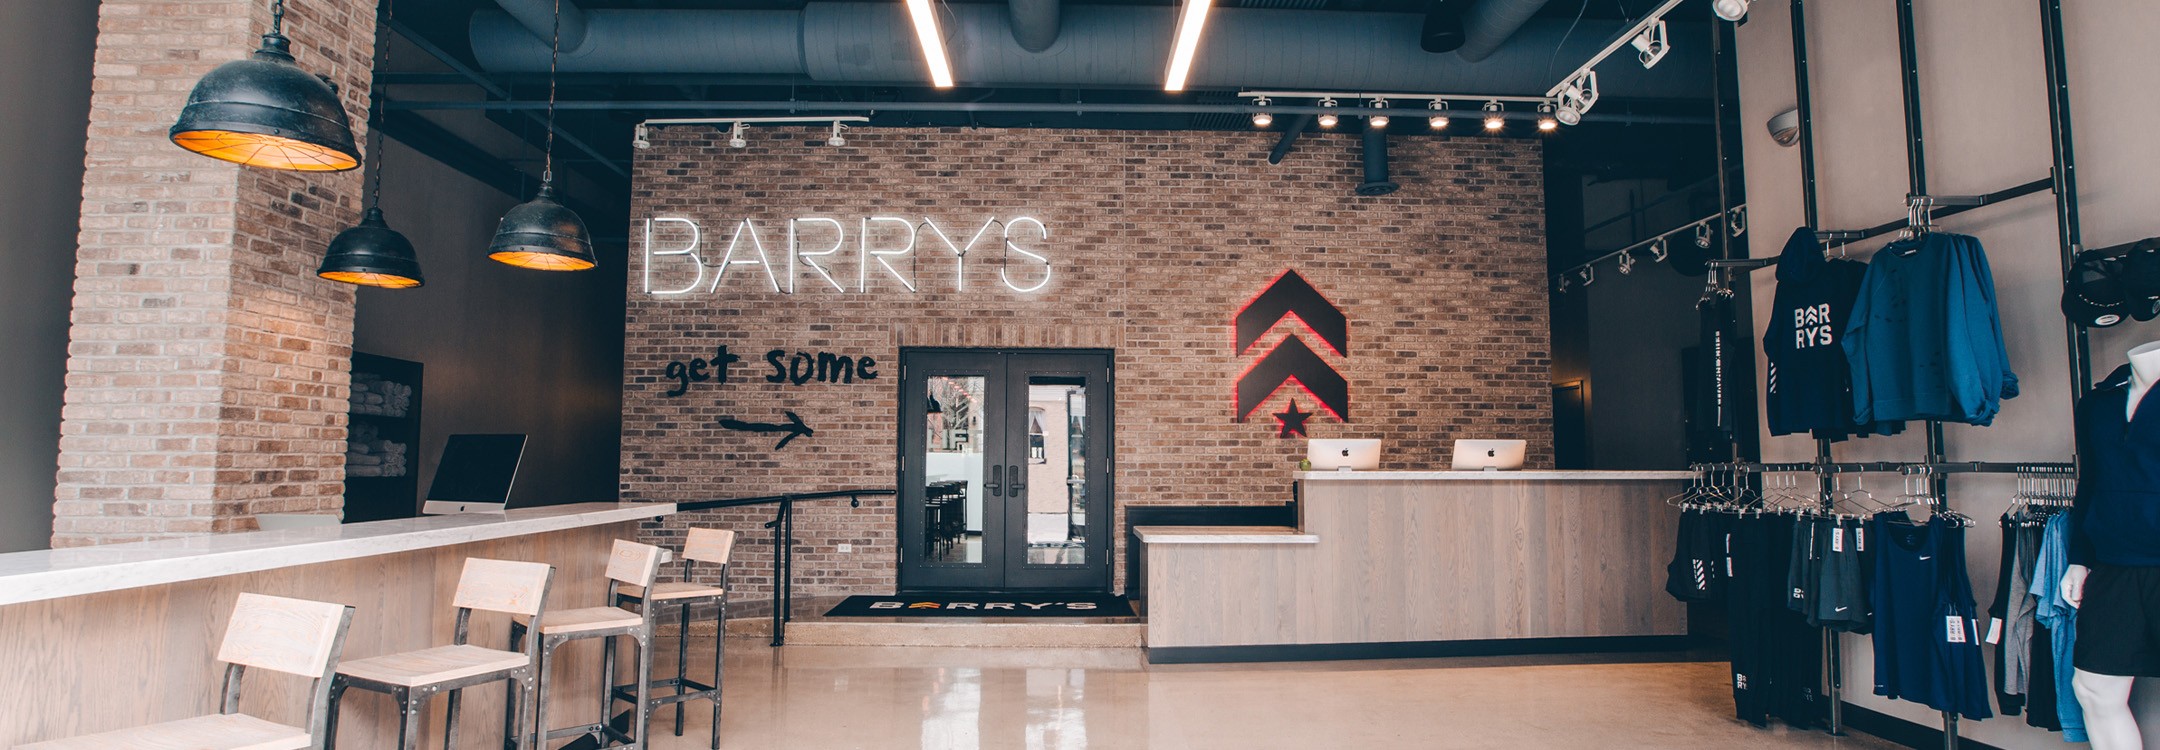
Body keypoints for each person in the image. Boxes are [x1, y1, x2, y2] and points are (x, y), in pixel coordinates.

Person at [2061, 341, 2160, 750]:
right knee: (2094, 690)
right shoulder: (2097, 403)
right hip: (2113, 566)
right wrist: (2078, 560)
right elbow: (2090, 482)